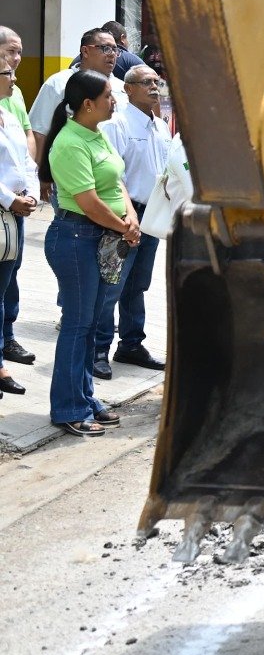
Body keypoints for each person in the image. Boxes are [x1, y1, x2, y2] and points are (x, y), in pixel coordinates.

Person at [40, 71, 139, 437]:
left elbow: (116, 183)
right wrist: (122, 225)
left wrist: (129, 216)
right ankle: (68, 407)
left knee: (91, 325)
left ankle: (84, 396)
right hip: (76, 237)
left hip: (100, 236)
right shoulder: (69, 143)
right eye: (109, 95)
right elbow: (89, 202)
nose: (114, 101)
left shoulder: (96, 135)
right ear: (88, 104)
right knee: (78, 325)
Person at [95, 65, 170, 375]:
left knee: (137, 285)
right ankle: (98, 349)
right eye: (146, 82)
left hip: (152, 215)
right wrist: (125, 216)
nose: (154, 87)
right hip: (126, 215)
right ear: (127, 89)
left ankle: (131, 345)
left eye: (157, 82)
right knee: (112, 284)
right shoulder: (118, 123)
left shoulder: (161, 126)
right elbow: (113, 175)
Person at [0, 60, 38, 399]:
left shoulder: (9, 116)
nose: (14, 78)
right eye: (8, 74)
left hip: (14, 216)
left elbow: (27, 162)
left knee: (4, 288)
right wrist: (9, 199)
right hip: (5, 210)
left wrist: (31, 194)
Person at [29, 29, 126, 152]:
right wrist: (43, 169)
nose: (112, 54)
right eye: (105, 48)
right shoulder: (58, 83)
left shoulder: (122, 88)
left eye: (115, 49)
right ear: (85, 51)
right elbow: (39, 132)